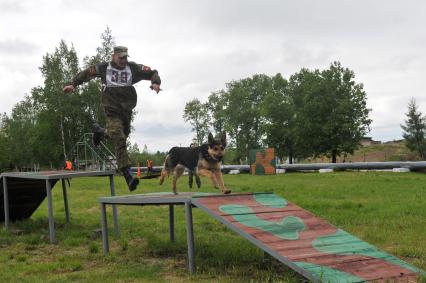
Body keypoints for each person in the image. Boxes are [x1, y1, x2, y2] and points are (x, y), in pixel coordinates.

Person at [63, 46, 161, 191]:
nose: (123, 60)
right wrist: (73, 83)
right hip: (111, 109)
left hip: (126, 110)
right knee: (120, 139)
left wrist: (155, 82)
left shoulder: (132, 68)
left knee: (121, 135)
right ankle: (128, 175)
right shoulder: (104, 68)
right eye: (120, 57)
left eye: (125, 58)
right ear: (113, 56)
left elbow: (152, 72)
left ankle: (100, 132)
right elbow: (87, 73)